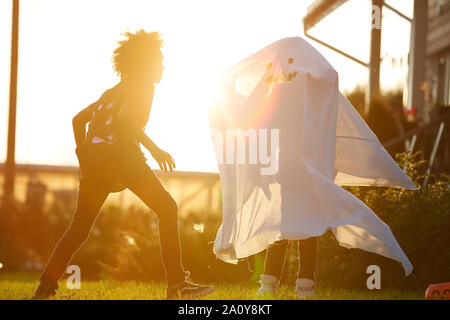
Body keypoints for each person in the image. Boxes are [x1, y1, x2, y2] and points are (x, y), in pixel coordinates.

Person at [33, 30, 214, 299]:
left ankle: (44, 289)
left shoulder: (113, 91)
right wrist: (156, 150)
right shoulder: (144, 86)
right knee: (167, 208)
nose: (163, 66)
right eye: (159, 60)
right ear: (146, 62)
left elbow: (77, 120)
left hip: (95, 163)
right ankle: (177, 285)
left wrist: (83, 151)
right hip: (122, 158)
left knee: (79, 228)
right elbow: (126, 121)